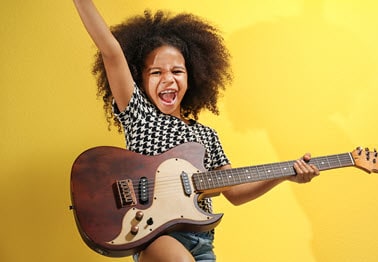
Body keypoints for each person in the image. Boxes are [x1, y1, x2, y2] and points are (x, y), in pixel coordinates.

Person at [72, 1, 320, 261]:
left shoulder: (207, 136)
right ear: (140, 80)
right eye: (156, 72)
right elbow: (111, 52)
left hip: (202, 242)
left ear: (192, 77)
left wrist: (286, 174)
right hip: (156, 235)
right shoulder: (140, 114)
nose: (168, 78)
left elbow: (234, 192)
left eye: (177, 71)